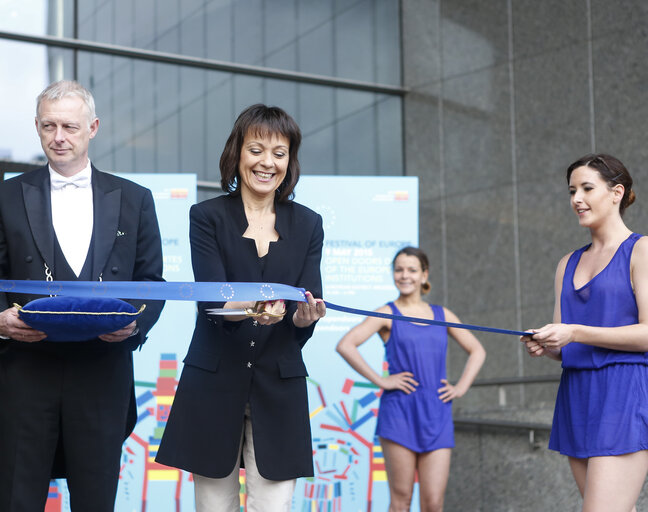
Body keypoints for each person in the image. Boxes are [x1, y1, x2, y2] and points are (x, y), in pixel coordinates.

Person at [0, 80, 165, 511]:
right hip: (26, 375)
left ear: (92, 127)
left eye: (70, 127)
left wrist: (135, 324)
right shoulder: (5, 195)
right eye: (49, 126)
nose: (59, 137)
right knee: (17, 500)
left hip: (102, 375)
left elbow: (152, 282)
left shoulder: (135, 199)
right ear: (37, 127)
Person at [155, 104, 326, 511]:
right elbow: (212, 298)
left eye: (279, 153)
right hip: (213, 380)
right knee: (214, 505)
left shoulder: (309, 223)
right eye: (257, 150)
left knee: (274, 505)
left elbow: (308, 301)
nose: (267, 162)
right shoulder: (207, 217)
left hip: (279, 386)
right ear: (237, 153)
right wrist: (252, 309)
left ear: (290, 161)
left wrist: (304, 319)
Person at [521, 154, 648, 512]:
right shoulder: (567, 263)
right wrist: (547, 345)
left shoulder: (641, 250)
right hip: (576, 394)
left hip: (624, 392)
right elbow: (566, 340)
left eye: (587, 188)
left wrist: (574, 331)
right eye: (572, 190)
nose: (576, 198)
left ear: (616, 192)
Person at [336, 246, 485, 512]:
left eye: (412, 270)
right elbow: (346, 345)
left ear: (424, 275)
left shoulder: (442, 315)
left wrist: (460, 387)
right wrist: (382, 381)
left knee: (433, 503)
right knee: (401, 500)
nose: (405, 276)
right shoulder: (386, 313)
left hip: (436, 415)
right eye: (399, 270)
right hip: (399, 415)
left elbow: (477, 350)